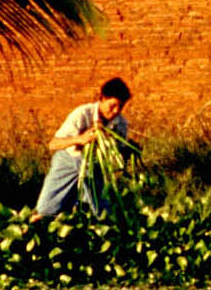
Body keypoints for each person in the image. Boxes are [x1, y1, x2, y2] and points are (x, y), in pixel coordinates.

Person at [32, 76, 135, 219]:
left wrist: (128, 150)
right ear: (102, 98)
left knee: (98, 210)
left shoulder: (120, 123)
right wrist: (80, 139)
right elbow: (53, 144)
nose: (116, 111)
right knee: (46, 209)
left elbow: (118, 152)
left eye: (120, 107)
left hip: (94, 166)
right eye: (112, 106)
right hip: (68, 160)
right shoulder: (82, 114)